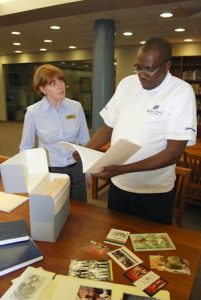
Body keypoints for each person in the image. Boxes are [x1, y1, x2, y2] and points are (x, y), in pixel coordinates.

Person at [76, 37, 197, 223]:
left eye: (148, 69)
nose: (141, 74)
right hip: (119, 185)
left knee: (149, 246)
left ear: (167, 66)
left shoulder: (181, 92)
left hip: (153, 191)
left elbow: (173, 153)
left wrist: (122, 169)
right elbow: (108, 128)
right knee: (115, 239)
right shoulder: (127, 84)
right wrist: (86, 150)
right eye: (138, 67)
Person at [20, 64, 90, 202]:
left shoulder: (76, 107)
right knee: (55, 211)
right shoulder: (33, 112)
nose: (60, 86)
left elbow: (85, 140)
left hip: (76, 168)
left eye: (61, 81)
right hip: (50, 170)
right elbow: (25, 147)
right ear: (42, 89)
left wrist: (88, 171)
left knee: (81, 213)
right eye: (53, 84)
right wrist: (31, 175)